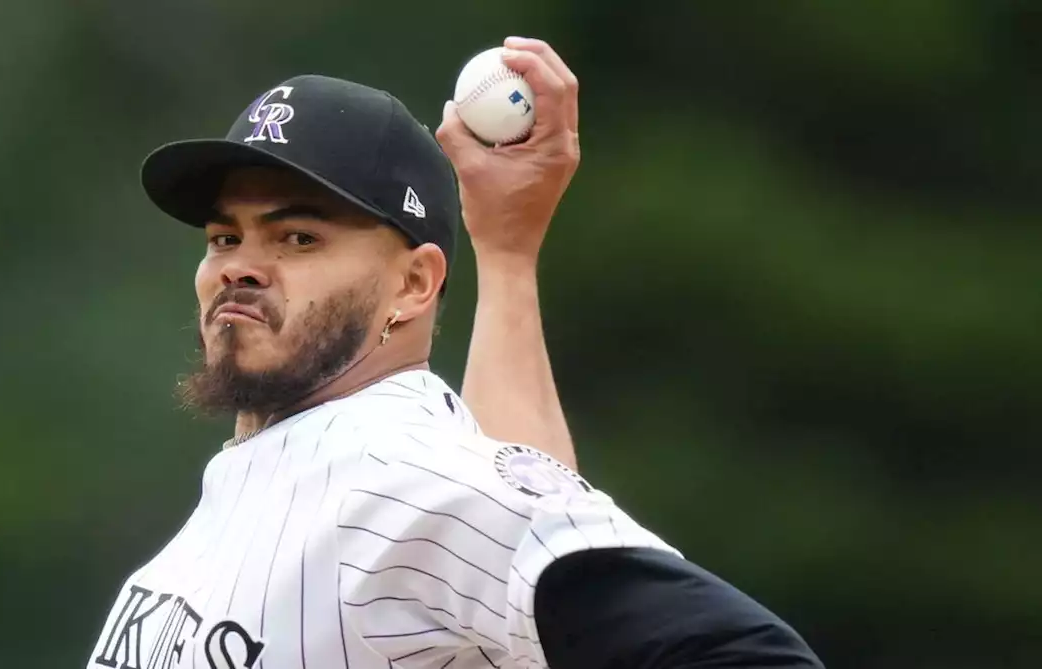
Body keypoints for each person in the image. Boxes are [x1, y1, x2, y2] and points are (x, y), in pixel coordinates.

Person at [87, 37, 823, 669]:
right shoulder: (286, 474)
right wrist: (506, 251)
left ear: (412, 285)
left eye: (298, 237)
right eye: (225, 237)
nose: (239, 266)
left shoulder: (398, 480)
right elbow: (520, 492)